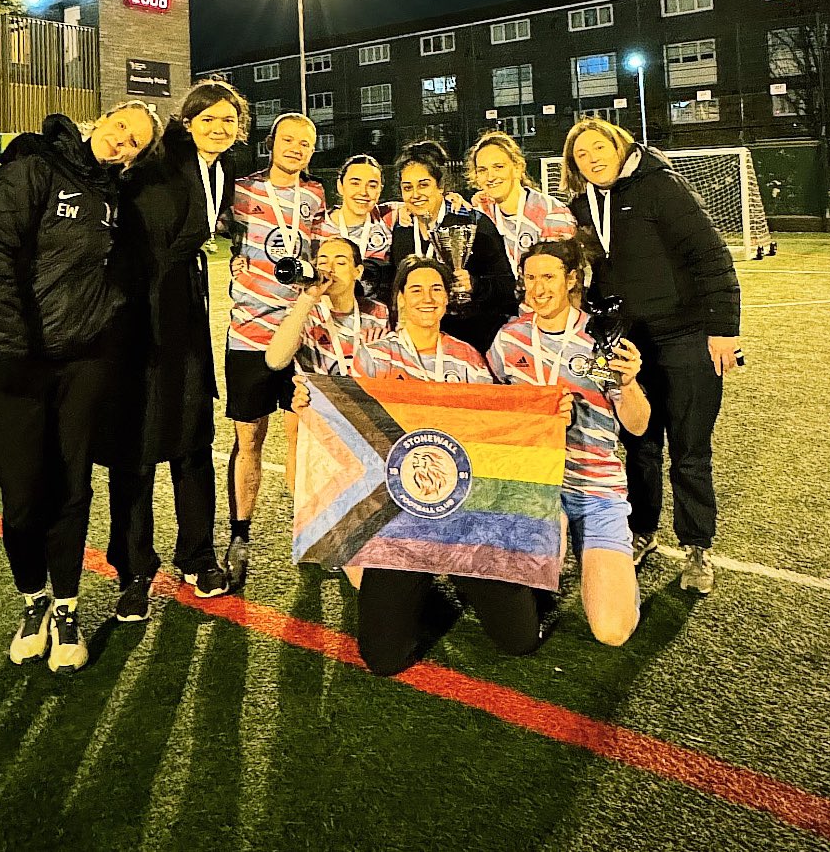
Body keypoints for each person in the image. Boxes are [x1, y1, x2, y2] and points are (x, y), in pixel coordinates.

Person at [0, 102, 161, 673]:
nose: (124, 142)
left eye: (137, 143)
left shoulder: (112, 199)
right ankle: (34, 602)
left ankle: (68, 608)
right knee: (23, 494)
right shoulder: (34, 165)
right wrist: (16, 347)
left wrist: (108, 324)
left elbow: (118, 272)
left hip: (80, 365)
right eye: (122, 127)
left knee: (73, 488)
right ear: (101, 119)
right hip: (9, 364)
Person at [339, 255, 552, 676]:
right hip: (402, 519)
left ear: (446, 299)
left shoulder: (468, 357)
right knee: (384, 659)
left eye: (436, 289)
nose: (427, 297)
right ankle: (425, 584)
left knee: (519, 640)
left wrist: (549, 410)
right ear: (398, 299)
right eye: (415, 289)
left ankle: (487, 577)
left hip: (465, 517)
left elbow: (496, 429)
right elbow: (357, 431)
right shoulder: (375, 358)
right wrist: (312, 404)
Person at [562, 118, 741, 594]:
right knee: (640, 446)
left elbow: (710, 255)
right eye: (582, 154)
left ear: (620, 147)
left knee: (689, 450)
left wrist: (723, 330)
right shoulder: (582, 207)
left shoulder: (662, 187)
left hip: (686, 338)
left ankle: (698, 548)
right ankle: (642, 532)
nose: (593, 158)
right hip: (632, 345)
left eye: (599, 148)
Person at [108, 80, 248, 620]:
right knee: (137, 447)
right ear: (186, 121)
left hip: (186, 312)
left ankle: (198, 555)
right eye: (208, 118)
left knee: (193, 437)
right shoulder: (162, 159)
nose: (219, 127)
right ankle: (135, 567)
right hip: (140, 316)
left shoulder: (223, 170)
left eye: (229, 120)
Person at [488, 240, 650, 645]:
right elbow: (487, 409)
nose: (538, 288)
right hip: (537, 487)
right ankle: (544, 567)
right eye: (530, 278)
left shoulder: (600, 340)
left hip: (596, 488)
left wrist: (627, 384)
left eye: (548, 277)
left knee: (612, 631)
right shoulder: (509, 340)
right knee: (543, 547)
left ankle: (600, 570)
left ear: (571, 280)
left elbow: (639, 425)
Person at [224, 112, 326, 591]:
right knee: (250, 440)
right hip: (248, 335)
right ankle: (239, 536)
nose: (296, 149)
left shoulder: (315, 197)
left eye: (304, 143)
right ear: (271, 144)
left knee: (301, 441)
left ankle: (307, 530)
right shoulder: (240, 190)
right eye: (288, 140)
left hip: (300, 335)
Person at [265, 235, 389, 492]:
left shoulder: (378, 313)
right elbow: (275, 361)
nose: (329, 269)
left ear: (358, 271)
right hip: (319, 418)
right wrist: (307, 299)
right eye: (323, 261)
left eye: (340, 262)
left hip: (367, 417)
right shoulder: (303, 312)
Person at [389, 140, 516, 354]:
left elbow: (506, 289)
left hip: (473, 342)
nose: (415, 194)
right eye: (407, 187)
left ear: (440, 186)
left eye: (423, 185)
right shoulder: (402, 229)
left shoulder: (474, 224)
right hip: (422, 345)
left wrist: (475, 286)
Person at [468, 130, 576, 277]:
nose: (490, 177)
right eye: (482, 170)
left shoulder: (552, 212)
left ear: (518, 168)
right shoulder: (480, 214)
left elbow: (561, 278)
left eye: (498, 167)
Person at [316, 154, 395, 301]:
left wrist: (450, 200)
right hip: (328, 318)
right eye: (355, 183)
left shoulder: (389, 218)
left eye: (372, 185)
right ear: (340, 186)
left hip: (375, 318)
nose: (363, 192)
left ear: (380, 190)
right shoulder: (317, 226)